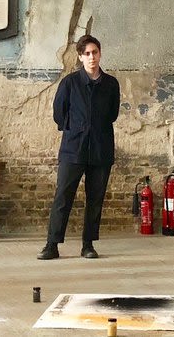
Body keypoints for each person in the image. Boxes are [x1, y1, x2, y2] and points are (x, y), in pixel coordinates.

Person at [38, 35, 119, 261]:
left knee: (95, 198)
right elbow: (58, 112)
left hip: (101, 148)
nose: (91, 57)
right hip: (73, 148)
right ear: (80, 57)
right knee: (63, 196)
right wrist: (74, 129)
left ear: (100, 53)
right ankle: (52, 245)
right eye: (87, 53)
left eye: (95, 52)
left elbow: (112, 113)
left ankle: (88, 244)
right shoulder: (70, 82)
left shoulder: (111, 84)